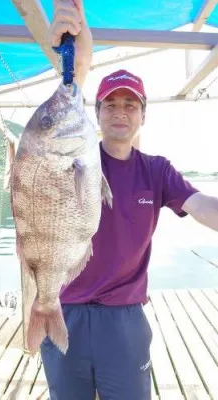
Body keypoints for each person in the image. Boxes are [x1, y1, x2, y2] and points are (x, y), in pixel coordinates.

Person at [41, 1, 218, 399]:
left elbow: (200, 203)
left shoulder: (156, 170)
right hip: (63, 309)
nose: (120, 112)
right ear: (97, 112)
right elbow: (65, 105)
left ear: (143, 115)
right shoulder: (77, 155)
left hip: (125, 320)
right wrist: (77, 59)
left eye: (130, 104)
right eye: (111, 105)